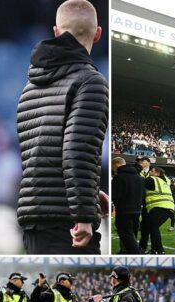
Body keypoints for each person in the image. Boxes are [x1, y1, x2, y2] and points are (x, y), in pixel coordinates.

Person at [17, 0, 109, 254]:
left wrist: (90, 193)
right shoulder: (91, 82)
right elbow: (77, 150)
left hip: (34, 221)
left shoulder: (30, 87)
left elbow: (43, 155)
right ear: (98, 33)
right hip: (68, 224)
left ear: (56, 32)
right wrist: (83, 213)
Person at [112, 157, 143, 254]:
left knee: (126, 234)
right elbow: (143, 194)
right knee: (132, 234)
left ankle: (137, 253)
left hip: (124, 210)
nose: (113, 169)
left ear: (116, 164)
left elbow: (115, 195)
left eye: (113, 167)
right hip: (137, 210)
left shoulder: (119, 177)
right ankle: (126, 252)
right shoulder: (139, 178)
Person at [142, 167, 175, 255]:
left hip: (158, 206)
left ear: (157, 173)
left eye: (152, 171)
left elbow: (139, 183)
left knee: (153, 227)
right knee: (151, 227)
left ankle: (160, 250)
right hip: (168, 207)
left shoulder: (151, 179)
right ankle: (155, 250)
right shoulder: (165, 181)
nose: (150, 172)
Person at [136, 156, 152, 252]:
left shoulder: (154, 171)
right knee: (142, 223)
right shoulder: (138, 172)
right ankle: (141, 246)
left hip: (151, 201)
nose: (141, 163)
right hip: (140, 199)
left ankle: (145, 246)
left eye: (143, 161)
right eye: (140, 162)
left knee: (148, 224)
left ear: (148, 163)